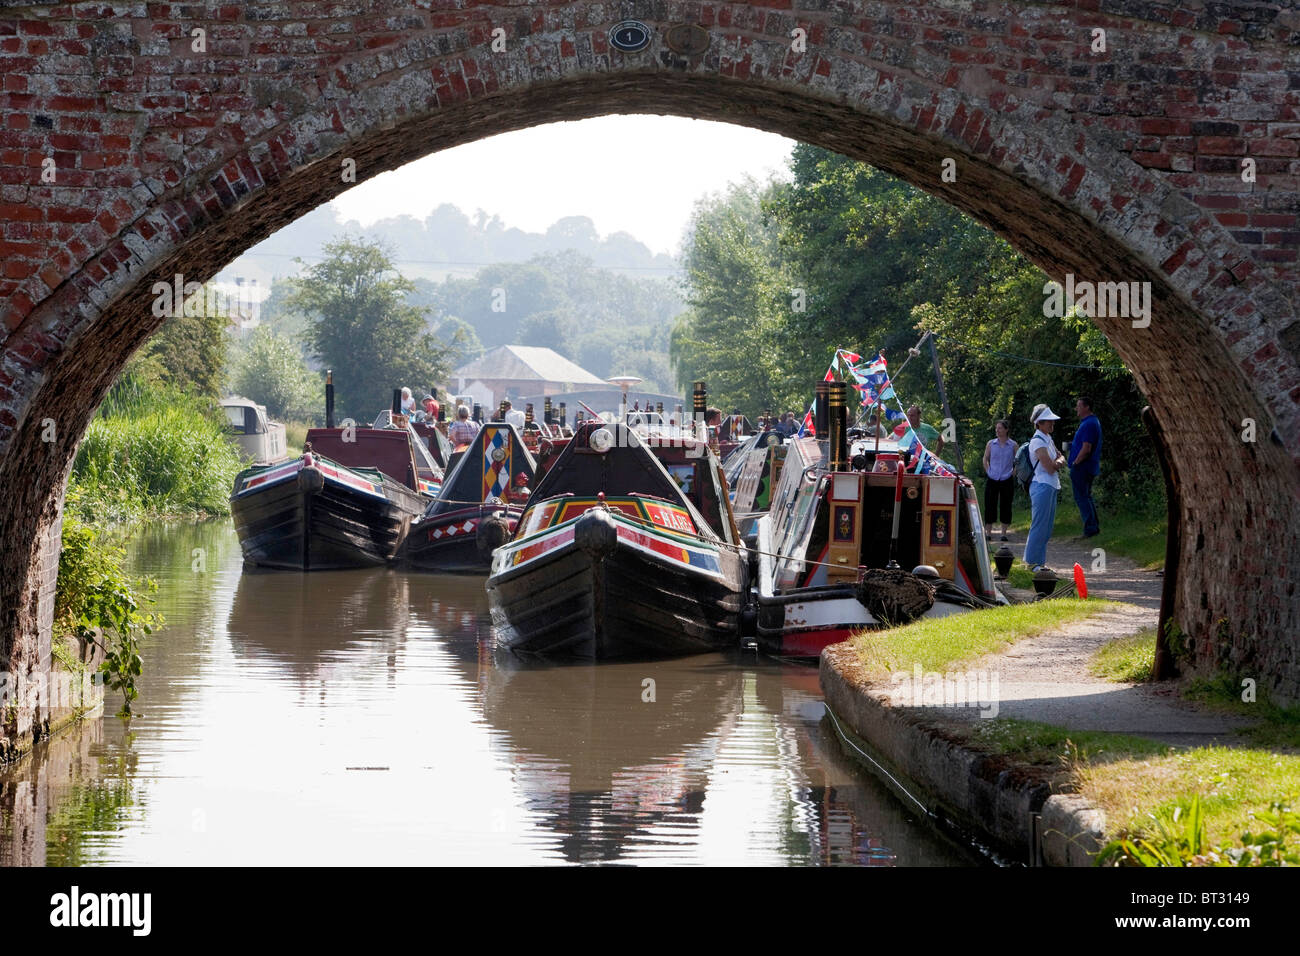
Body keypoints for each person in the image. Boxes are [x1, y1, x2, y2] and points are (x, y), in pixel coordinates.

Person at [1023, 404, 1067, 572]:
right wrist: (1059, 462)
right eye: (1048, 421)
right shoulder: (1037, 441)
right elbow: (1050, 466)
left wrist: (1058, 461)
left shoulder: (1048, 439)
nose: (1052, 424)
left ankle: (1039, 563)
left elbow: (1059, 457)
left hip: (1050, 485)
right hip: (1041, 485)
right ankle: (1031, 563)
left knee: (1046, 528)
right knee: (1039, 526)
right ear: (1039, 423)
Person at [1069, 396, 1103, 538]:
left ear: (1087, 407)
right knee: (1086, 496)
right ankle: (1093, 526)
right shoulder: (1091, 422)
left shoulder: (1089, 424)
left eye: (1079, 406)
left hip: (1083, 467)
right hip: (1088, 466)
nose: (1076, 408)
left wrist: (1076, 462)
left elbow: (1086, 448)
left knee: (1081, 497)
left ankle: (1090, 528)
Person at [981, 420, 1017, 540]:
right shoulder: (991, 444)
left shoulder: (1013, 445)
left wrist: (1013, 472)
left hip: (1006, 478)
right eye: (996, 428)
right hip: (993, 477)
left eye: (1000, 428)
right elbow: (985, 458)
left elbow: (1018, 461)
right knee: (989, 504)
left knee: (1006, 505)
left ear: (1006, 430)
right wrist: (988, 470)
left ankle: (1003, 533)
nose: (997, 430)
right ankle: (988, 533)